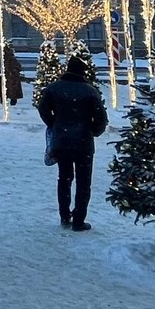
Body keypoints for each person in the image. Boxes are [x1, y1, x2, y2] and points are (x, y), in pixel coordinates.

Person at [37, 51, 108, 230]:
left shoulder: (54, 88)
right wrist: (94, 131)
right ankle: (78, 219)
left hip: (61, 140)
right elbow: (101, 117)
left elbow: (43, 109)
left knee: (64, 178)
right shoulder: (89, 91)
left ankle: (64, 215)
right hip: (83, 141)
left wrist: (54, 124)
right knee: (84, 182)